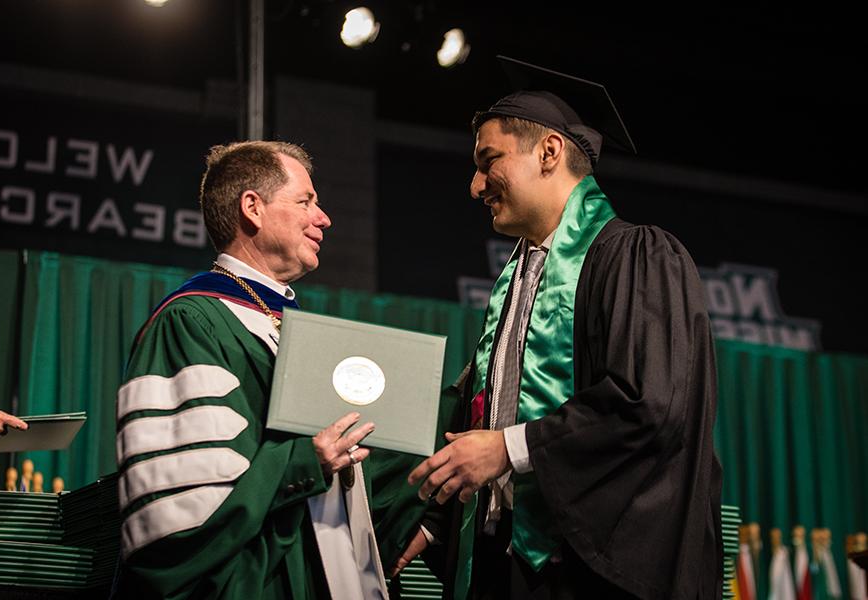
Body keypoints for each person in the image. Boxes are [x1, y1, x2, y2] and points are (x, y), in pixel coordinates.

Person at [404, 57, 723, 599]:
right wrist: (437, 519)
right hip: (503, 561)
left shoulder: (637, 258)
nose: (475, 185)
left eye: (489, 160)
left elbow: (649, 405)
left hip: (593, 569)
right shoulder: (517, 280)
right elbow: (484, 417)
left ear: (549, 152)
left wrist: (508, 449)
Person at [114, 141, 389, 599]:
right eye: (306, 201)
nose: (324, 218)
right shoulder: (193, 322)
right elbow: (180, 520)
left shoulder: (285, 326)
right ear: (252, 208)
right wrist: (307, 460)